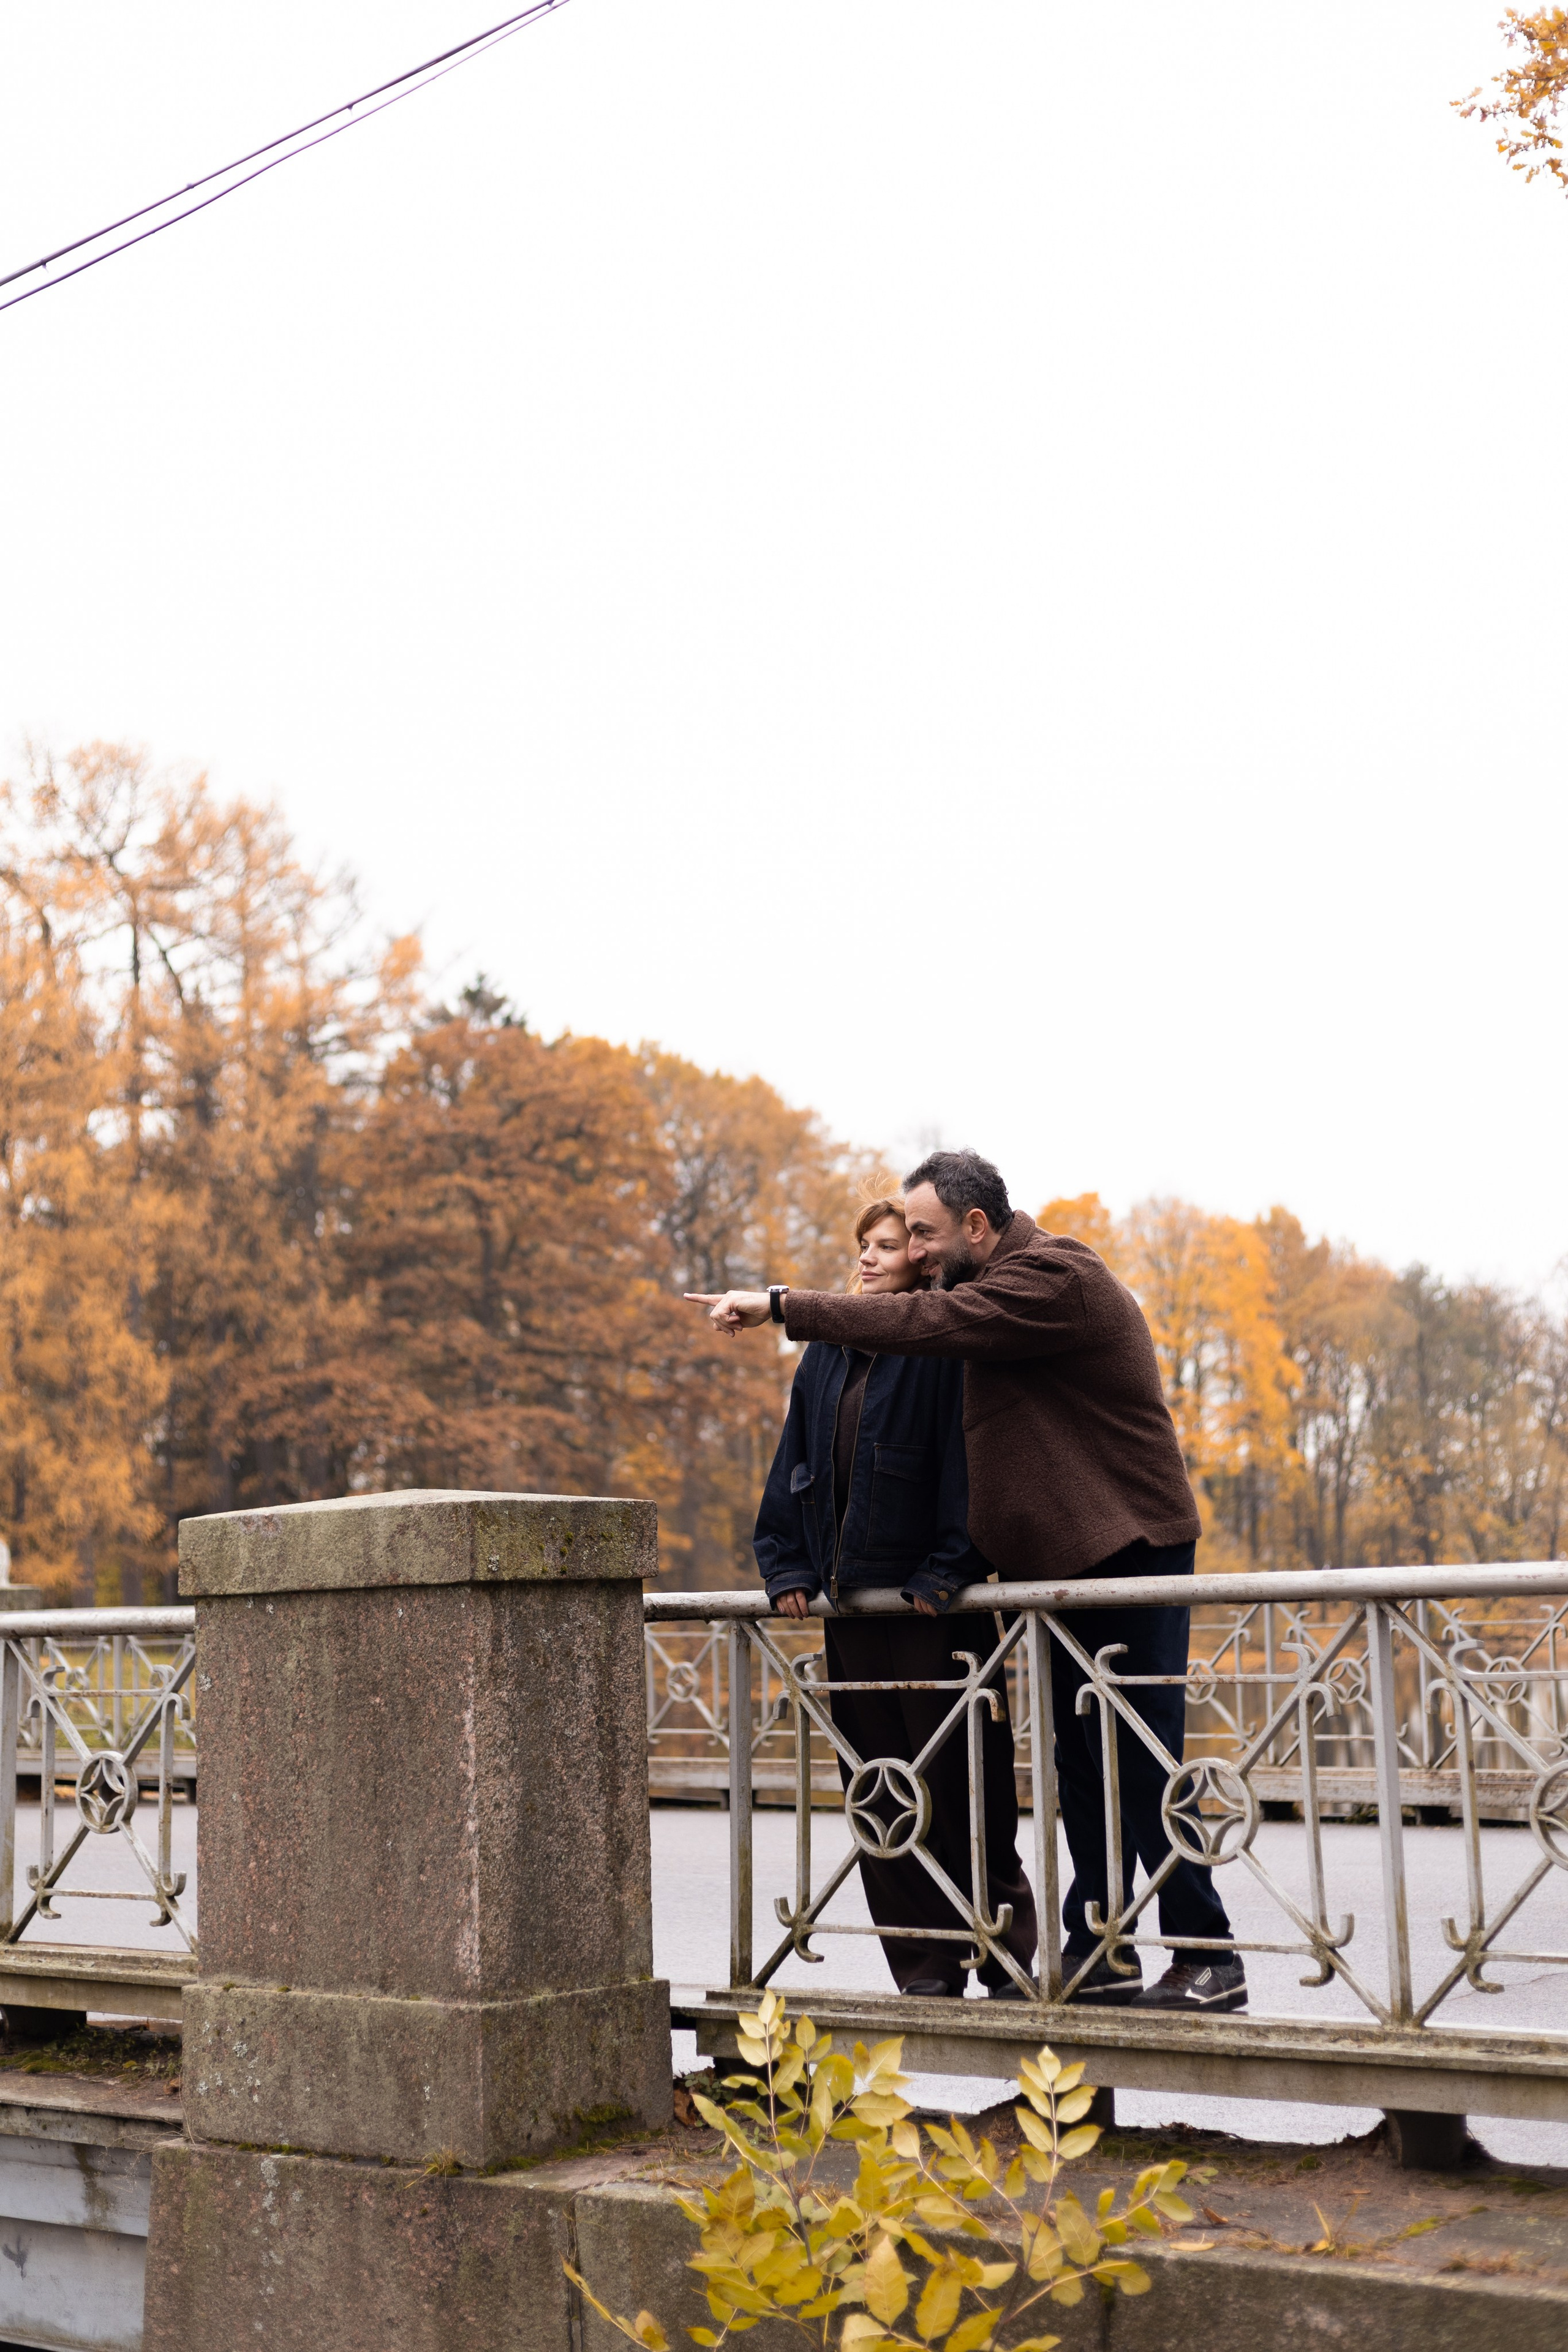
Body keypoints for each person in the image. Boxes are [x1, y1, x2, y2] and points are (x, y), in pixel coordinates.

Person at [688, 1149, 1243, 2014]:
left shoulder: (1052, 1275)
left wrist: (781, 1306)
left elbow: (931, 1327)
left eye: (925, 1235)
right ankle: (1102, 1952)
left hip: (1130, 1551)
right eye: (905, 1236)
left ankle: (1210, 1955)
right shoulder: (989, 1288)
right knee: (1083, 1763)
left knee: (1139, 1756)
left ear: (976, 1227)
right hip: (1059, 1571)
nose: (915, 1252)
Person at [750, 1194, 1037, 2000]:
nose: (870, 1257)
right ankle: (925, 1970)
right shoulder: (826, 1353)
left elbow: (973, 1467)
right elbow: (792, 1472)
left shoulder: (947, 1344)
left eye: (889, 1245)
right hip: (852, 1611)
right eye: (865, 1246)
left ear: (921, 1258)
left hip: (934, 1611)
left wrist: (948, 1569)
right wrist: (786, 1570)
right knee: (880, 1794)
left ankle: (1005, 1959)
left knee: (962, 1790)